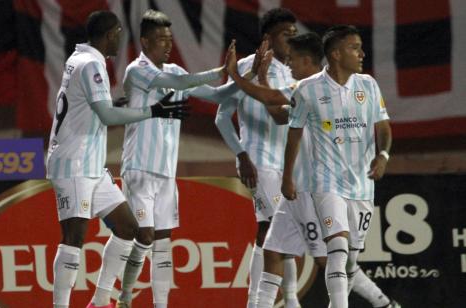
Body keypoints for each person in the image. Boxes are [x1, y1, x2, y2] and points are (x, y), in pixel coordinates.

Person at [227, 32, 400, 308]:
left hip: (328, 190)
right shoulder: (304, 90)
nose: (290, 65)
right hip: (307, 188)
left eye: (294, 59)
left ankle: (382, 302)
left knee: (334, 258)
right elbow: (276, 110)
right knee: (274, 250)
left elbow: (274, 101)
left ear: (308, 60)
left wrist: (236, 76)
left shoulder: (355, 86)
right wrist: (256, 78)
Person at [45, 10, 190, 308]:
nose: (121, 40)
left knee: (128, 229)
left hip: (90, 165)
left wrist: (113, 103)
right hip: (73, 164)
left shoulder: (78, 59)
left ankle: (99, 302)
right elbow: (107, 116)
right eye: (119, 34)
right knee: (74, 237)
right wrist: (152, 111)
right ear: (109, 34)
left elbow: (89, 105)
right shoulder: (91, 65)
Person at [115, 9, 243, 308]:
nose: (167, 44)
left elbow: (217, 96)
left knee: (162, 243)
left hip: (165, 172)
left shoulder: (177, 72)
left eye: (170, 39)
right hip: (139, 167)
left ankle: (160, 305)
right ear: (145, 42)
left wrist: (242, 76)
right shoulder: (138, 71)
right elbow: (177, 83)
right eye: (160, 39)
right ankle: (125, 296)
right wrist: (219, 69)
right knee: (144, 236)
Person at [282, 25, 392, 308]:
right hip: (326, 182)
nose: (362, 53)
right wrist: (288, 177)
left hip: (362, 184)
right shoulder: (307, 90)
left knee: (351, 260)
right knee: (338, 249)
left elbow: (384, 127)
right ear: (335, 54)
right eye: (355, 47)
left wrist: (383, 155)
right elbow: (294, 132)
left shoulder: (368, 85)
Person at [214, 8, 299, 308]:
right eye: (286, 34)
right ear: (268, 38)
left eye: (294, 33)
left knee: (275, 231)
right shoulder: (248, 67)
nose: (292, 38)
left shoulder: (294, 72)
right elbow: (222, 117)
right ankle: (270, 301)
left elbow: (286, 120)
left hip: (286, 164)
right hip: (258, 161)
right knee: (277, 228)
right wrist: (241, 155)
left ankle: (281, 300)